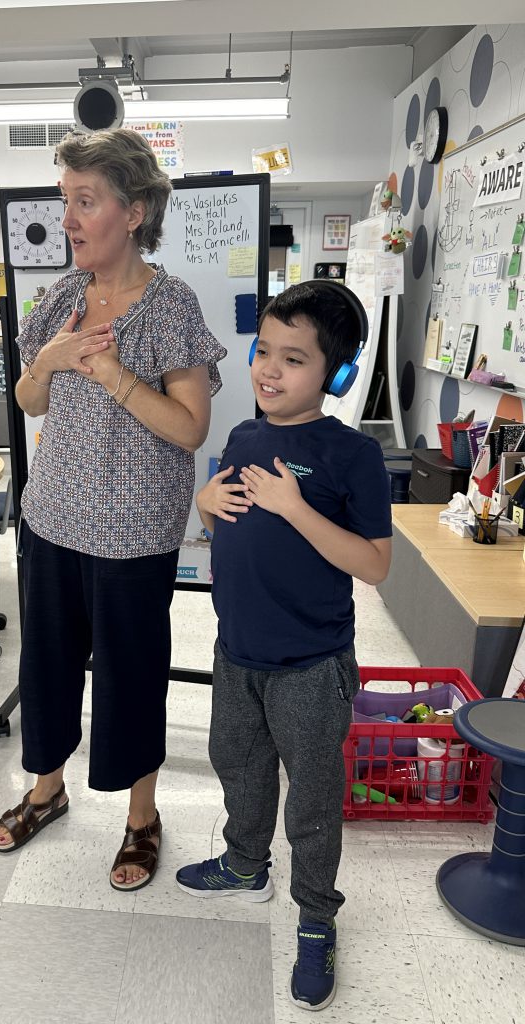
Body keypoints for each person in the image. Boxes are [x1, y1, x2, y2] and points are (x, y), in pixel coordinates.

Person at [0, 128, 226, 892]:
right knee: (49, 663)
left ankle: (142, 816)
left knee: (130, 674)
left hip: (133, 532)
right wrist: (53, 363)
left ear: (135, 210)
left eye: (85, 201)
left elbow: (191, 428)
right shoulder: (60, 296)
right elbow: (29, 399)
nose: (69, 219)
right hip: (54, 515)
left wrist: (116, 373)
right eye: (66, 201)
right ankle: (46, 789)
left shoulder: (171, 306)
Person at [175, 281, 392, 1010]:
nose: (268, 369)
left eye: (293, 359)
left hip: (310, 666)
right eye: (264, 350)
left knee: (313, 803)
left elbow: (374, 564)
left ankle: (316, 917)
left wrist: (297, 509)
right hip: (237, 653)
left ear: (333, 375)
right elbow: (225, 527)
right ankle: (244, 867)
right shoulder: (242, 436)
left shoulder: (351, 455)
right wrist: (204, 505)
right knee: (236, 765)